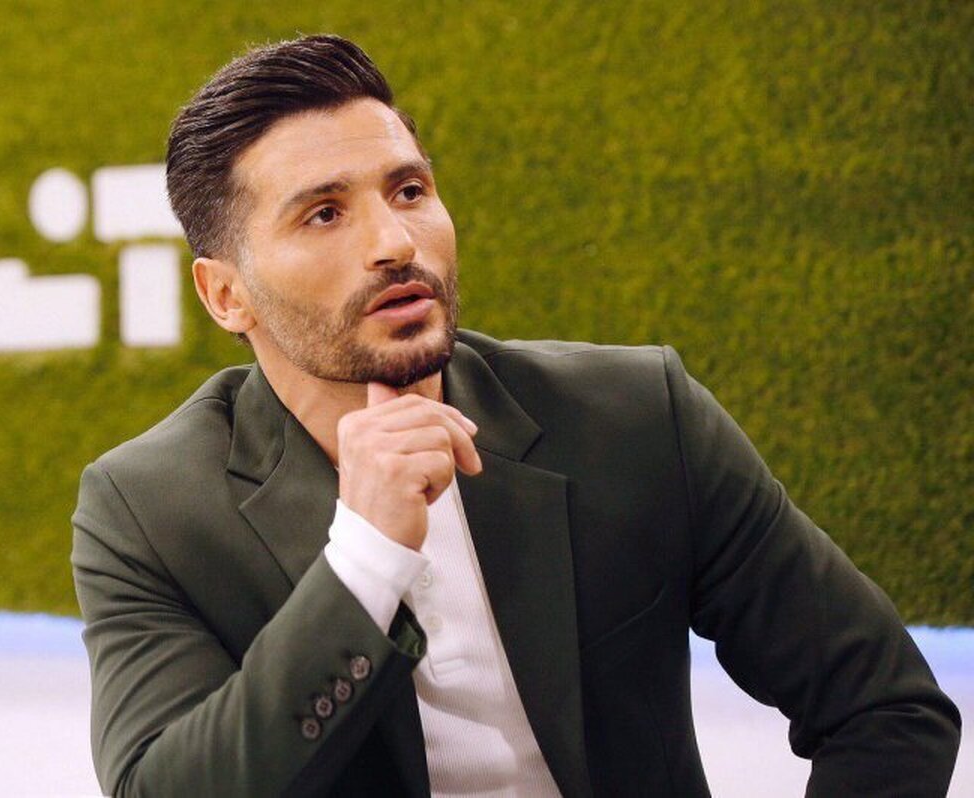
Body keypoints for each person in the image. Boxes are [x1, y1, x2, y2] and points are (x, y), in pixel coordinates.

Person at [71, 34, 960, 797]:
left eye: (409, 191)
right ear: (226, 295)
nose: (394, 243)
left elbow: (885, 708)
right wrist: (364, 560)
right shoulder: (148, 509)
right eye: (325, 214)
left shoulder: (636, 418)